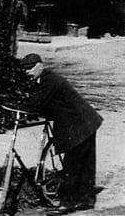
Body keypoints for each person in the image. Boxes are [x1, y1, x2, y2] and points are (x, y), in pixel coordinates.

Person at [19, 53, 103, 214]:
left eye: (30, 68)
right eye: (25, 69)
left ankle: (67, 203)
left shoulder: (49, 80)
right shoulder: (44, 79)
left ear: (40, 65)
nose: (27, 72)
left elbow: (36, 103)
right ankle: (86, 200)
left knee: (72, 164)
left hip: (79, 125)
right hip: (85, 122)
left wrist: (19, 109)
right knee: (84, 164)